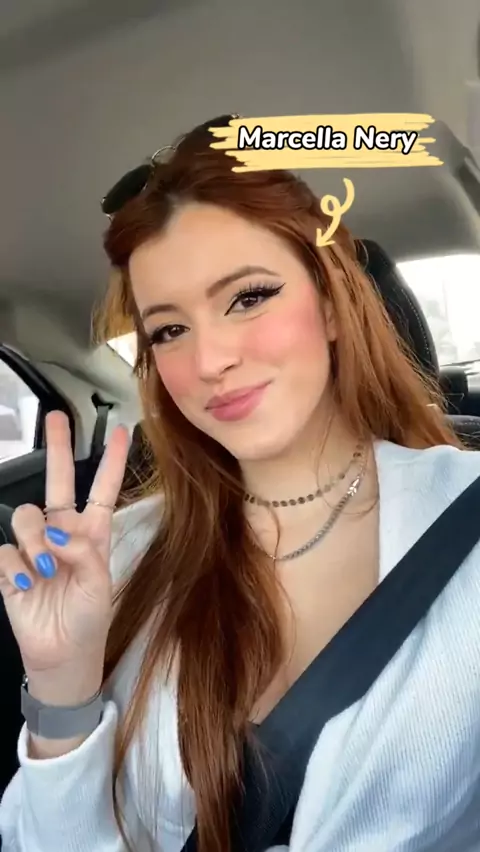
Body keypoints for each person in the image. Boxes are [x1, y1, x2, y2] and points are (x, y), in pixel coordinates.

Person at [0, 114, 480, 852]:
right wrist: (63, 689)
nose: (210, 360)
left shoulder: (462, 515)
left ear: (330, 302)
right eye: (169, 330)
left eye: (248, 296)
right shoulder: (116, 557)